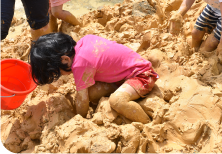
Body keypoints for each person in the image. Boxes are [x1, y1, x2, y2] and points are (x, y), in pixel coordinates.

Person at [30, 33, 159, 124]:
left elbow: (82, 100)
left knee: (116, 101)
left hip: (142, 75)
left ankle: (147, 123)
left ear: (65, 59)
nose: (60, 75)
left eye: (57, 72)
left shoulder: (80, 64)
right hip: (122, 76)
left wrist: (79, 119)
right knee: (92, 93)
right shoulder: (84, 42)